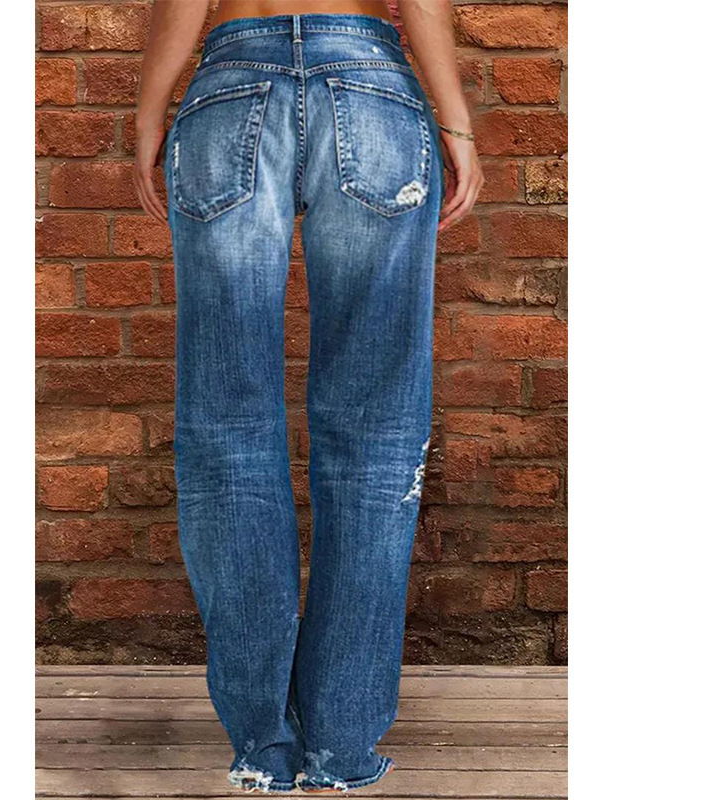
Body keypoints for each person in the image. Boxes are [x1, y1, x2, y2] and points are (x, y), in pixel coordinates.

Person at [134, 0, 483, 793]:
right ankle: (341, 747)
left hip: (230, 89)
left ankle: (263, 745)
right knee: (375, 436)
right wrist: (457, 127)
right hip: (372, 91)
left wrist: (150, 114)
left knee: (226, 431)